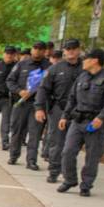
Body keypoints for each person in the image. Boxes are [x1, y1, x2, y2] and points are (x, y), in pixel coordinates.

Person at [58, 48, 104, 196]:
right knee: (67, 152)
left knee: (92, 157)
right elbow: (72, 99)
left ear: (95, 60)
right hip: (77, 121)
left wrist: (101, 117)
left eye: (86, 58)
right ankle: (69, 180)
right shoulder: (82, 77)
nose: (83, 61)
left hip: (95, 124)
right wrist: (64, 116)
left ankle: (86, 185)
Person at [35, 40, 82, 183]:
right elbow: (43, 89)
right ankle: (54, 171)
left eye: (74, 49)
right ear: (64, 51)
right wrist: (39, 107)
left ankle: (68, 173)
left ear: (79, 50)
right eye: (68, 49)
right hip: (59, 109)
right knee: (57, 142)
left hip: (79, 112)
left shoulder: (86, 68)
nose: (71, 51)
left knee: (73, 145)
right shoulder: (55, 68)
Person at [6, 40, 50, 168]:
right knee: (17, 131)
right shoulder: (22, 64)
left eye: (40, 49)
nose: (37, 50)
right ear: (32, 49)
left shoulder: (49, 67)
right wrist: (19, 91)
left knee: (35, 133)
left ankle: (31, 160)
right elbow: (10, 81)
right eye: (35, 48)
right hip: (21, 104)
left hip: (38, 106)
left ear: (44, 51)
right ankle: (13, 155)